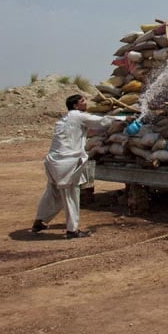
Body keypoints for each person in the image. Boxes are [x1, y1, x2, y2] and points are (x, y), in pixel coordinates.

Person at [31, 94, 119, 239]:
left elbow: (86, 131)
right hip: (66, 163)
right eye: (83, 101)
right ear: (76, 106)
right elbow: (101, 121)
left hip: (52, 161)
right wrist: (122, 118)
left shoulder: (63, 120)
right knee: (71, 194)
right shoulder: (78, 116)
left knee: (52, 193)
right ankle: (72, 230)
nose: (86, 103)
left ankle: (40, 221)